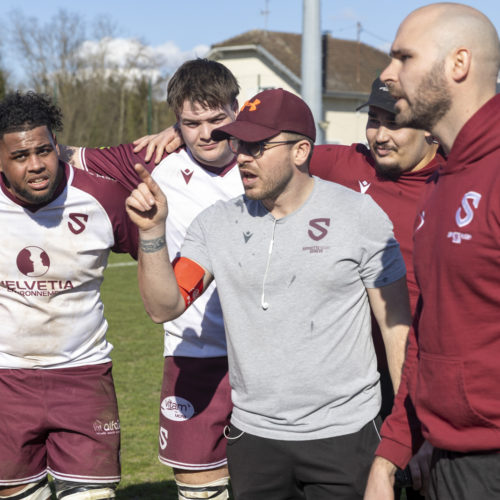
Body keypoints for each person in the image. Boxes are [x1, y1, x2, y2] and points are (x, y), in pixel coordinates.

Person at [136, 76, 442, 498]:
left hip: (347, 436)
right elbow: (164, 306)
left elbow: (396, 332)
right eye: (239, 144)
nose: (243, 157)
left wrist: (404, 432)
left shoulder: (360, 216)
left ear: (301, 151)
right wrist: (152, 233)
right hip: (253, 440)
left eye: (258, 146)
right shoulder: (215, 224)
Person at [59, 59, 242, 500]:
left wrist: (183, 128)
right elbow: (60, 154)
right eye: (191, 123)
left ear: (238, 109)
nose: (206, 133)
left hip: (268, 354)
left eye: (217, 119)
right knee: (200, 489)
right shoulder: (152, 160)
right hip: (192, 350)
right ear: (175, 119)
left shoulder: (270, 154)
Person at [364, 3, 500, 500]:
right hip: (443, 459)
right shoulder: (442, 182)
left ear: (458, 64)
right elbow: (428, 329)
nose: (387, 74)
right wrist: (395, 449)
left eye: (404, 58)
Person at [0, 92, 137, 500]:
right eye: (20, 156)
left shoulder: (103, 198)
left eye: (44, 151)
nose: (36, 164)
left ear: (57, 146)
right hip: (7, 380)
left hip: (83, 376)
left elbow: (154, 256)